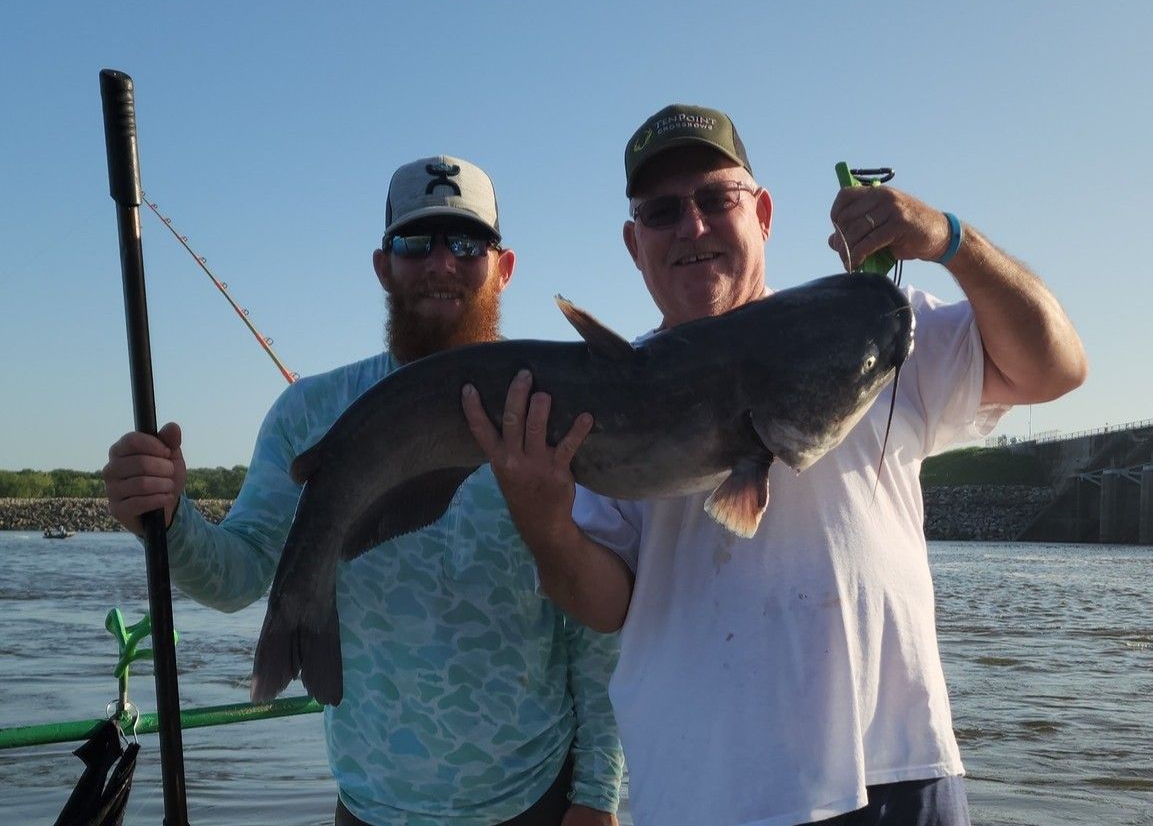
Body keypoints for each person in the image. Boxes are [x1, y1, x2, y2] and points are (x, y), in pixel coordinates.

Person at [462, 106, 1088, 826]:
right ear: (634, 246)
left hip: (894, 767)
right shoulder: (604, 398)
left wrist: (951, 239)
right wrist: (542, 521)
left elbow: (1054, 367)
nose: (691, 227)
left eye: (714, 199)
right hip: (705, 791)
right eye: (662, 212)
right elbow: (604, 606)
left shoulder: (867, 326)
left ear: (761, 213)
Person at [102, 155, 624, 826]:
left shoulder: (552, 405)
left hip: (534, 801)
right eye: (416, 242)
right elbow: (237, 576)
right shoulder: (306, 412)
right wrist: (168, 515)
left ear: (504, 266)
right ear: (383, 266)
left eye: (467, 243)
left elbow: (592, 622)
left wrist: (597, 791)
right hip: (370, 809)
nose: (441, 263)